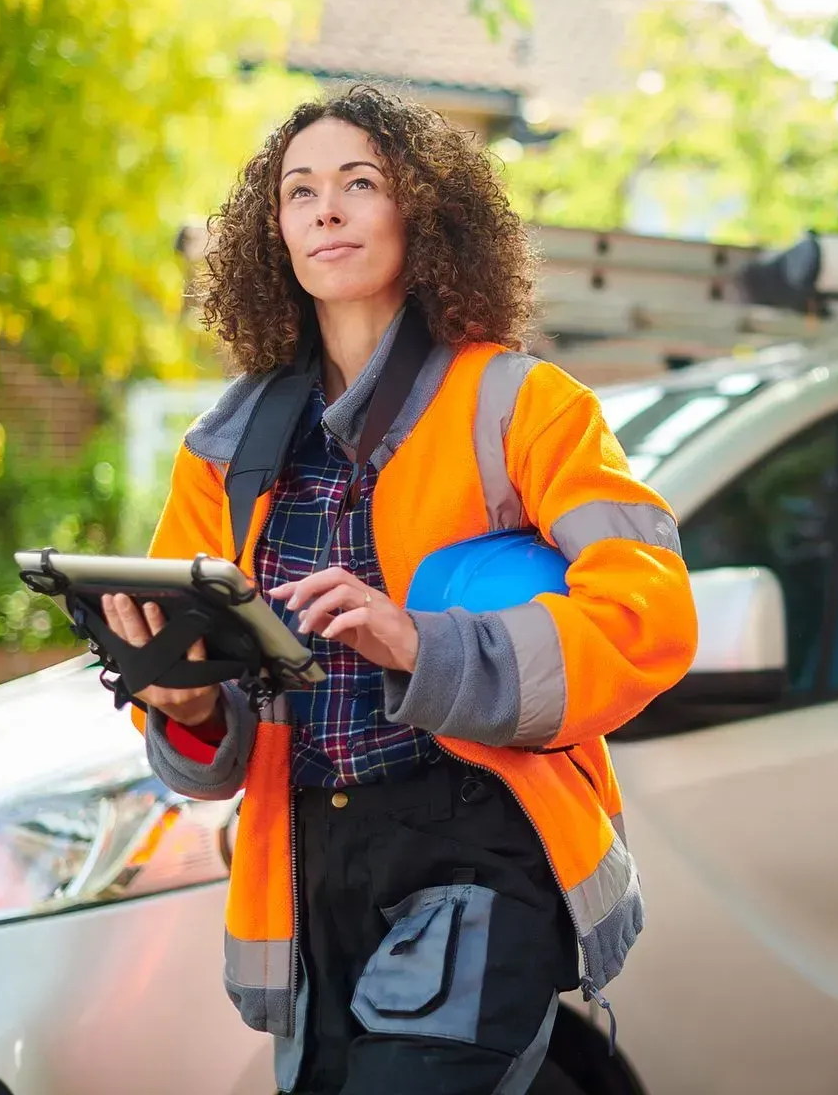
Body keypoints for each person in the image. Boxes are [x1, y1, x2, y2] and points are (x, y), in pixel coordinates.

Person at [97, 85, 697, 1094]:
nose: (325, 209)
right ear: (274, 233)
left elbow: (649, 613)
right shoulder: (222, 454)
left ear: (421, 214)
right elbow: (213, 746)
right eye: (299, 191)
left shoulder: (526, 405)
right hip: (312, 855)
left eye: (358, 183)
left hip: (479, 842)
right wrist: (188, 703)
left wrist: (422, 644)